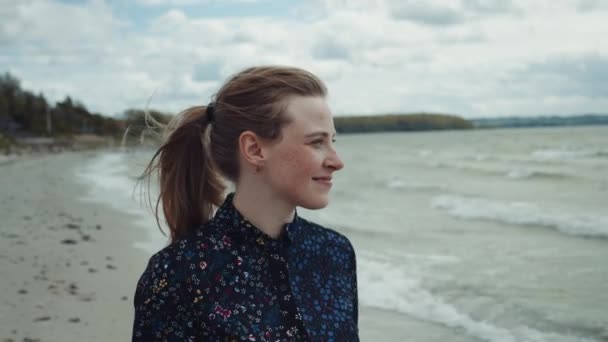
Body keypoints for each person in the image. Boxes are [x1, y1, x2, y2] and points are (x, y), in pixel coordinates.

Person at [132, 66, 359, 341]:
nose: (337, 161)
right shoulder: (177, 272)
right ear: (254, 149)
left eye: (332, 141)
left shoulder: (335, 253)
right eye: (316, 142)